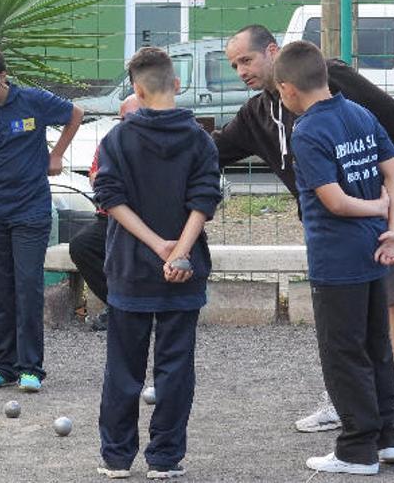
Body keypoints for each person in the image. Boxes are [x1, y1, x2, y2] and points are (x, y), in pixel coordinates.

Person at [215, 24, 394, 433]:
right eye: (234, 65)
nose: (241, 71)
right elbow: (216, 149)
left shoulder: (328, 79)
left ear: (272, 51)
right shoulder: (257, 113)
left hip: (385, 203)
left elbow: (388, 114)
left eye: (246, 60)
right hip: (337, 228)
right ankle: (351, 400)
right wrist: (165, 132)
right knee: (350, 317)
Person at [274, 40, 394, 475]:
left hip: (336, 259)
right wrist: (392, 224)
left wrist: (373, 207)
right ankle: (391, 438)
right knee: (375, 347)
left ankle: (356, 449)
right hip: (373, 249)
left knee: (343, 352)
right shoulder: (358, 112)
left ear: (287, 90)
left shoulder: (307, 130)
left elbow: (334, 200)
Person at [93, 47, 221, 480]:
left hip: (131, 268)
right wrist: (180, 251)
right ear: (177, 84)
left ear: (136, 90)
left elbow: (110, 199)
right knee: (175, 368)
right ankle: (164, 459)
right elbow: (204, 201)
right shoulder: (201, 138)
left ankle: (116, 458)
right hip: (183, 273)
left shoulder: (117, 139)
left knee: (123, 369)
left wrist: (157, 246)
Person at [0, 39, 83, 392]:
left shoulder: (33, 101)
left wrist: (56, 155)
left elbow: (76, 114)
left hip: (31, 211)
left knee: (28, 287)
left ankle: (31, 368)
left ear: (1, 77)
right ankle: (3, 366)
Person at [69, 94, 141, 331]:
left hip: (145, 220)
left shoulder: (157, 142)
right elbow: (95, 178)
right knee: (81, 245)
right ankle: (119, 305)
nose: (125, 124)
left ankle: (143, 307)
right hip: (110, 217)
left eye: (131, 118)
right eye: (122, 119)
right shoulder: (111, 142)